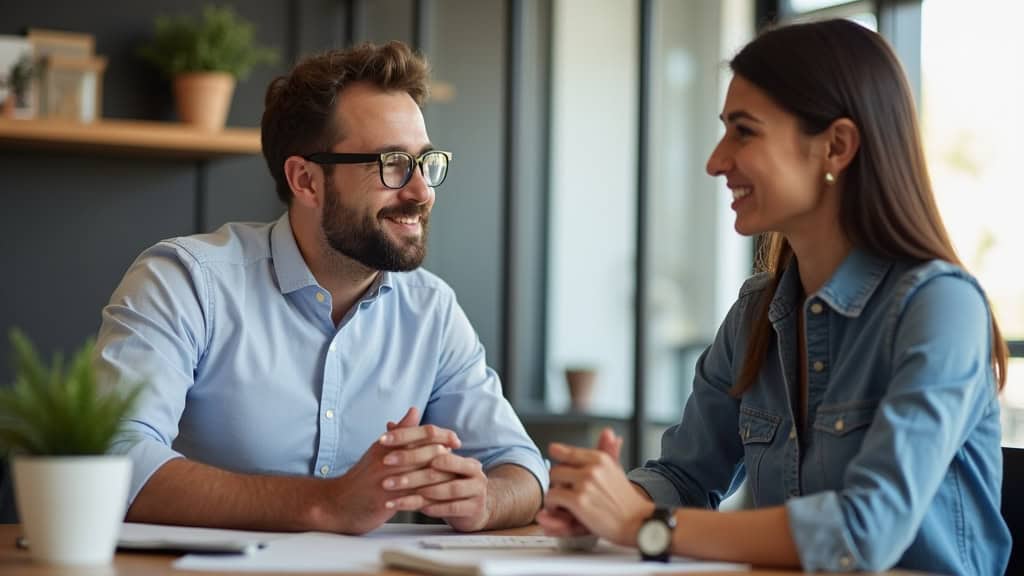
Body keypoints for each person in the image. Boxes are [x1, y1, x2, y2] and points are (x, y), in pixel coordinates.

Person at [537, 19, 1011, 574]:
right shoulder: (756, 312)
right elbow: (685, 477)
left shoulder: (940, 307)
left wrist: (642, 525)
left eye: (744, 132)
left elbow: (863, 531)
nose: (716, 161)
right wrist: (604, 504)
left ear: (836, 146)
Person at [95, 41, 546, 535]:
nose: (422, 191)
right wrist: (325, 504)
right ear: (306, 180)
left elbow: (522, 466)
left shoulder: (430, 310)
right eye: (392, 163)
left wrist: (484, 500)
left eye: (426, 162)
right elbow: (112, 459)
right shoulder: (185, 282)